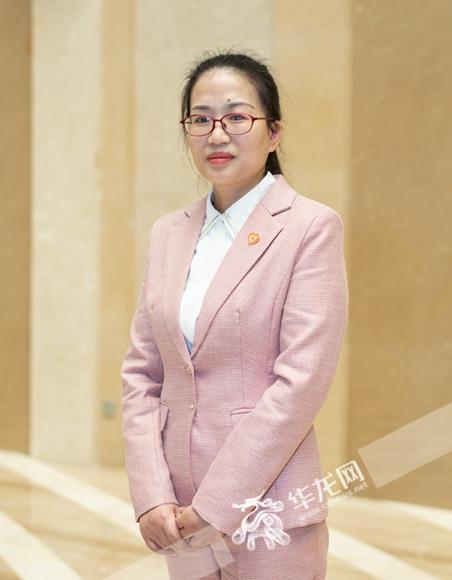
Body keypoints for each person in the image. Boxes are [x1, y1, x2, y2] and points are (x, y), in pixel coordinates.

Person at [120, 50, 348, 580]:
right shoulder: (168, 233)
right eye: (200, 119)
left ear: (273, 133)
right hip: (179, 509)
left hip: (267, 508)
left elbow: (301, 384)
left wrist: (217, 505)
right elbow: (142, 373)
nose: (216, 134)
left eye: (237, 116)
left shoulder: (310, 227)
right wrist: (151, 495)